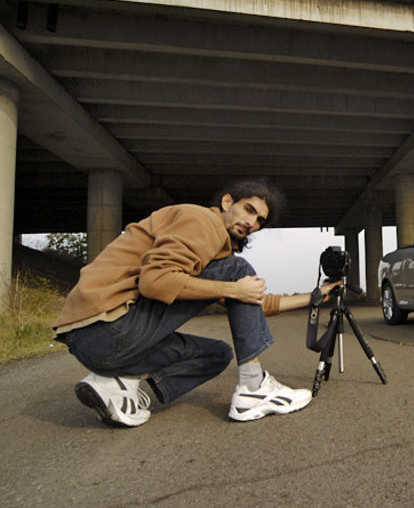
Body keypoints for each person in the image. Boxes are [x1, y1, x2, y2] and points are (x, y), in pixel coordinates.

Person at [53, 180, 340, 427]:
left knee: (217, 355)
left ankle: (118, 382)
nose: (252, 223)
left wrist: (315, 296)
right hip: (106, 328)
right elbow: (155, 281)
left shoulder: (212, 244)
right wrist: (235, 288)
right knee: (237, 271)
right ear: (227, 202)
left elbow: (253, 303)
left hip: (96, 344)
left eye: (260, 221)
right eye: (249, 209)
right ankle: (254, 388)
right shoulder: (202, 220)